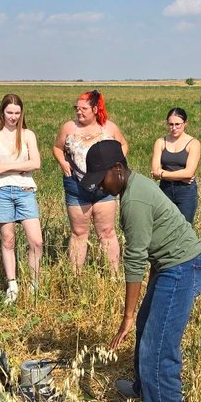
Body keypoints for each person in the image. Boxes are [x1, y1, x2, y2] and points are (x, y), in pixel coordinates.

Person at [81, 141, 201, 402]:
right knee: (147, 325)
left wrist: (126, 317)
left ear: (118, 169)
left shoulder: (134, 201)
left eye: (102, 179)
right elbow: (155, 247)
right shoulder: (133, 186)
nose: (100, 186)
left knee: (158, 351)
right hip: (171, 267)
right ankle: (143, 388)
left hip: (184, 268)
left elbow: (136, 259)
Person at [53, 89, 128, 271]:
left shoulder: (109, 128)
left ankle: (113, 274)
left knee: (107, 232)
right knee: (79, 232)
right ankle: (75, 276)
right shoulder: (69, 128)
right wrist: (63, 162)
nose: (78, 112)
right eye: (76, 108)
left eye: (83, 108)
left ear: (95, 109)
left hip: (105, 188)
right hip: (76, 186)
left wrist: (115, 164)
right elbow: (57, 147)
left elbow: (123, 145)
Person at [0, 94, 43, 302]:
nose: (13, 117)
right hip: (0, 192)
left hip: (25, 190)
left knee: (36, 240)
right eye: (9, 112)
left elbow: (36, 163)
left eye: (17, 113)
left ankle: (34, 284)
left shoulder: (28, 135)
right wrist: (21, 167)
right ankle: (12, 285)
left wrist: (5, 167)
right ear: (2, 113)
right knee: (8, 239)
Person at [151, 107, 201, 225]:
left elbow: (189, 173)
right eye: (171, 124)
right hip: (165, 190)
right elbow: (154, 172)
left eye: (177, 124)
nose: (174, 128)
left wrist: (162, 173)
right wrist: (180, 176)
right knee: (164, 226)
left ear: (185, 123)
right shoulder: (160, 142)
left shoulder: (193, 143)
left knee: (184, 227)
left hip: (186, 191)